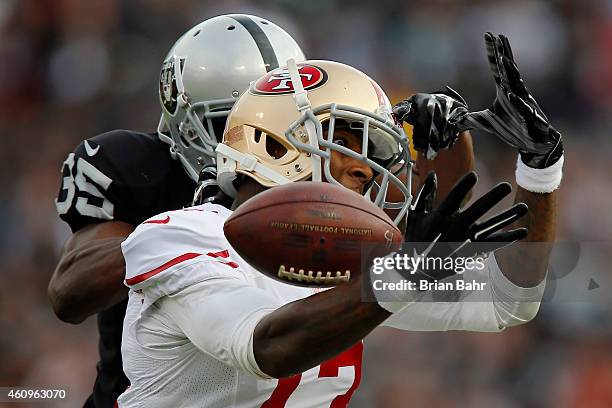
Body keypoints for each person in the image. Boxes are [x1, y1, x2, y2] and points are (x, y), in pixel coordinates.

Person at [118, 47, 558, 406]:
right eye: (345, 143)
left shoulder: (344, 256)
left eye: (372, 151)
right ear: (272, 142)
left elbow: (508, 298)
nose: (365, 169)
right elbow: (264, 347)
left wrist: (541, 170)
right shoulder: (180, 235)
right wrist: (401, 273)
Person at [48, 14, 306, 408]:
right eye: (231, 125)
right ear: (185, 122)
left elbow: (395, 286)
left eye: (276, 127)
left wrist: (402, 133)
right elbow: (69, 295)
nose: (253, 147)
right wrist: (188, 230)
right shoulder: (137, 168)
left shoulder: (320, 181)